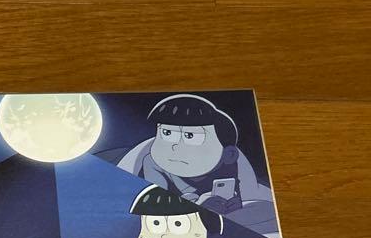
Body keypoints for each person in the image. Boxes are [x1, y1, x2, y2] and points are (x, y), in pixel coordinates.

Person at [116, 93, 274, 228]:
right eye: (167, 133)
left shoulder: (233, 166)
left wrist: (234, 204)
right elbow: (157, 205)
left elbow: (245, 197)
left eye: (190, 136)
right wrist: (197, 208)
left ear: (229, 155)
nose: (175, 146)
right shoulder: (152, 163)